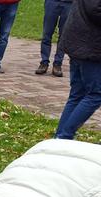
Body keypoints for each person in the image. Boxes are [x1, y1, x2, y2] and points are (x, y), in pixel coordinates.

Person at [55, 0, 101, 139]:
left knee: (78, 94)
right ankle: (65, 135)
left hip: (79, 41)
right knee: (95, 94)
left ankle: (60, 137)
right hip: (89, 46)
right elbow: (95, 10)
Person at [35, 0, 72, 77]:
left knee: (63, 35)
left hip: (69, 3)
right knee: (46, 34)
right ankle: (44, 62)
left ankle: (58, 64)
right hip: (52, 2)